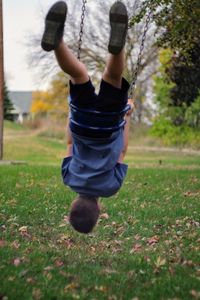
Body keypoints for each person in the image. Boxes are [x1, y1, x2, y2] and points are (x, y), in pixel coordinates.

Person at [41, 0, 134, 234]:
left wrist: (128, 117)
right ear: (72, 204)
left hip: (108, 126)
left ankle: (117, 48)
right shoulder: (69, 179)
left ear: (99, 211)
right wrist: (73, 114)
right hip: (81, 123)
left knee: (112, 77)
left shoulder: (111, 188)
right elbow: (70, 143)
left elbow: (121, 151)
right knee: (78, 73)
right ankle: (58, 43)